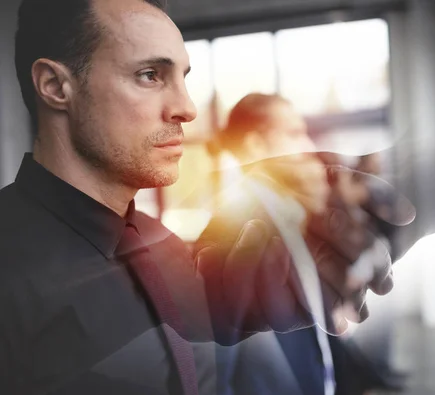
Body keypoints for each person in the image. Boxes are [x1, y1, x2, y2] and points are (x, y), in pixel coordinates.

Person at [0, 1, 400, 394]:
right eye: (149, 75)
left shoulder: (167, 250)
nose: (187, 109)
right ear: (55, 86)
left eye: (183, 79)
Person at [198, 93, 403, 395]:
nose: (309, 146)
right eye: (295, 134)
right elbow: (218, 369)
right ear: (256, 147)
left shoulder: (286, 215)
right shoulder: (230, 232)